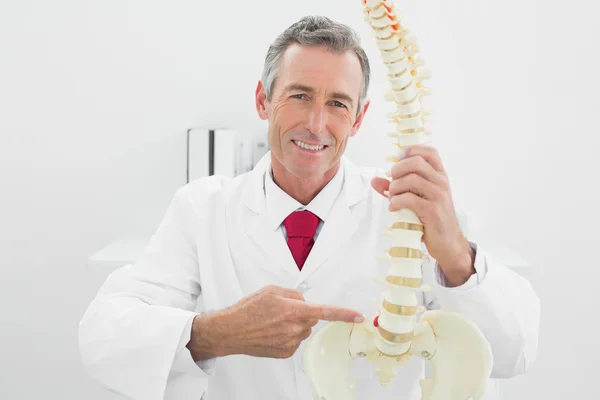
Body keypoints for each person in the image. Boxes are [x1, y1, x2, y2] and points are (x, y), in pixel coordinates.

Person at [78, 15, 540, 400]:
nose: (317, 124)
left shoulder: (409, 216)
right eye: (299, 95)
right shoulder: (203, 209)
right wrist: (220, 332)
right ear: (264, 100)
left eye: (338, 103)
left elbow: (514, 352)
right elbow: (102, 337)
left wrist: (456, 255)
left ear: (358, 118)